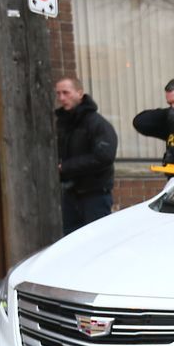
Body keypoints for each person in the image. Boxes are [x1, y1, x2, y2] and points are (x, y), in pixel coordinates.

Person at [55, 77, 118, 236]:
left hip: (95, 195)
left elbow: (104, 156)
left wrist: (65, 167)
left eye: (66, 93)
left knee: (98, 241)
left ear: (80, 93)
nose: (61, 98)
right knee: (71, 241)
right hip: (70, 194)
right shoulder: (62, 124)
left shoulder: (97, 124)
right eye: (58, 93)